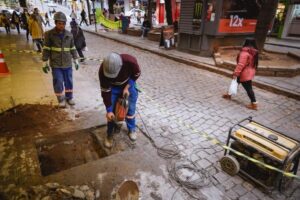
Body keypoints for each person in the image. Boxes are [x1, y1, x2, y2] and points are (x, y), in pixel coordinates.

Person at [99, 53, 141, 148]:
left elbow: (136, 74)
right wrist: (109, 110)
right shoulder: (102, 70)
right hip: (113, 88)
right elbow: (105, 91)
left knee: (131, 110)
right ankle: (110, 134)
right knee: (112, 114)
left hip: (128, 86)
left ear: (120, 66)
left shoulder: (130, 61)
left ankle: (131, 129)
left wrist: (127, 87)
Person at [42, 12, 79, 108]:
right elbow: (46, 49)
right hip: (56, 64)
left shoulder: (69, 35)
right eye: (59, 23)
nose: (61, 25)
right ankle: (60, 99)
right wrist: (44, 61)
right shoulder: (49, 34)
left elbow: (72, 48)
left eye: (63, 23)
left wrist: (76, 59)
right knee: (58, 81)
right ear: (55, 23)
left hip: (67, 63)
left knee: (69, 82)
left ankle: (69, 97)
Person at [222, 38, 259, 110]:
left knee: (248, 88)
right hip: (249, 72)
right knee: (235, 82)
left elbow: (241, 64)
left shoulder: (245, 52)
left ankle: (254, 103)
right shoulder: (254, 52)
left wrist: (236, 73)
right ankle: (229, 94)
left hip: (244, 73)